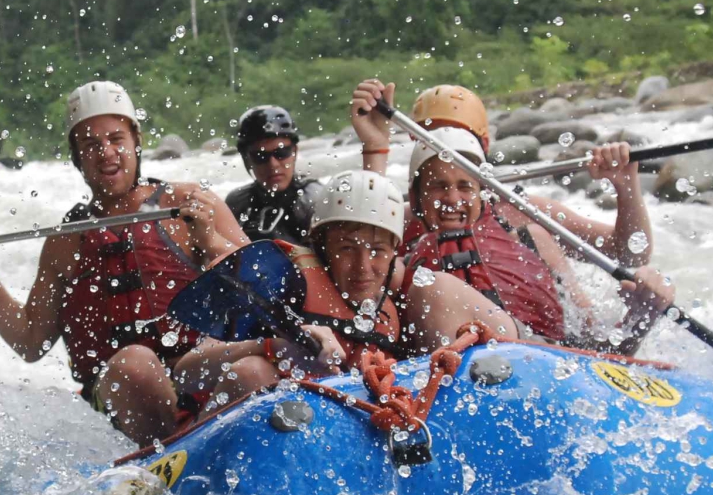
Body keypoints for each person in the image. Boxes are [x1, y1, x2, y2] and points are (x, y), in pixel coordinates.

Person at [0, 81, 250, 445]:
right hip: (120, 395)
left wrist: (209, 239)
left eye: (116, 139)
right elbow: (31, 341)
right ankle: (172, 460)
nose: (106, 153)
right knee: (135, 365)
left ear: (135, 141)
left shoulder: (190, 202)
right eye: (91, 144)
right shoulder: (65, 241)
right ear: (77, 156)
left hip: (195, 374)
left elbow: (260, 288)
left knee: (255, 362)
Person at [174, 170, 520, 412]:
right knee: (252, 371)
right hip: (281, 428)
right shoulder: (284, 285)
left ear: (394, 252)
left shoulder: (413, 291)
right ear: (322, 248)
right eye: (346, 249)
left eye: (377, 251)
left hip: (363, 424)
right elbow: (186, 372)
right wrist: (275, 345)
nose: (363, 267)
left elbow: (510, 340)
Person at [388, 121, 676, 354]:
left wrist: (626, 186)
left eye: (465, 186)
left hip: (537, 355)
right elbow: (354, 234)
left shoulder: (527, 220)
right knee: (432, 288)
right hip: (447, 363)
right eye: (438, 187)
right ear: (416, 196)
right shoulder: (397, 232)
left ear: (481, 188)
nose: (452, 198)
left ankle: (642, 315)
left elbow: (630, 255)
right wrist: (373, 147)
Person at [224, 106, 322, 244]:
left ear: (294, 152)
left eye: (281, 153)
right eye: (260, 156)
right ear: (247, 159)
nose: (273, 164)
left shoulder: (314, 199)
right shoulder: (237, 202)